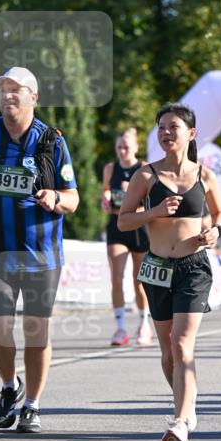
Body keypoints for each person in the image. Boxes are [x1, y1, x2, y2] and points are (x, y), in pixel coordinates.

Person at [0, 66, 79, 433]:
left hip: (40, 257)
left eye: (16, 90)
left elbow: (74, 198)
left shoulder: (51, 141)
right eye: (3, 91)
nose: (8, 96)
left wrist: (55, 197)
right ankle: (10, 386)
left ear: (34, 97)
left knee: (36, 332)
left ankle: (33, 404)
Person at [117, 104, 221, 441]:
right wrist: (155, 212)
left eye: (173, 127)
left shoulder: (204, 175)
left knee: (181, 344)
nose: (166, 133)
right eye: (161, 127)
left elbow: (219, 212)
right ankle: (186, 402)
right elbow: (123, 221)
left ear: (190, 134)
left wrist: (214, 231)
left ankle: (179, 422)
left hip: (194, 267)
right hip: (157, 268)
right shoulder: (145, 176)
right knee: (167, 352)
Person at [101, 127, 152, 347]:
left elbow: (151, 203)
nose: (122, 151)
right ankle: (121, 328)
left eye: (127, 147)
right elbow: (106, 192)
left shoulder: (144, 169)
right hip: (117, 227)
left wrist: (131, 194)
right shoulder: (110, 168)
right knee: (116, 278)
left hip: (140, 228)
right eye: (119, 147)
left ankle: (144, 324)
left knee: (139, 281)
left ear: (136, 148)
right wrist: (105, 200)